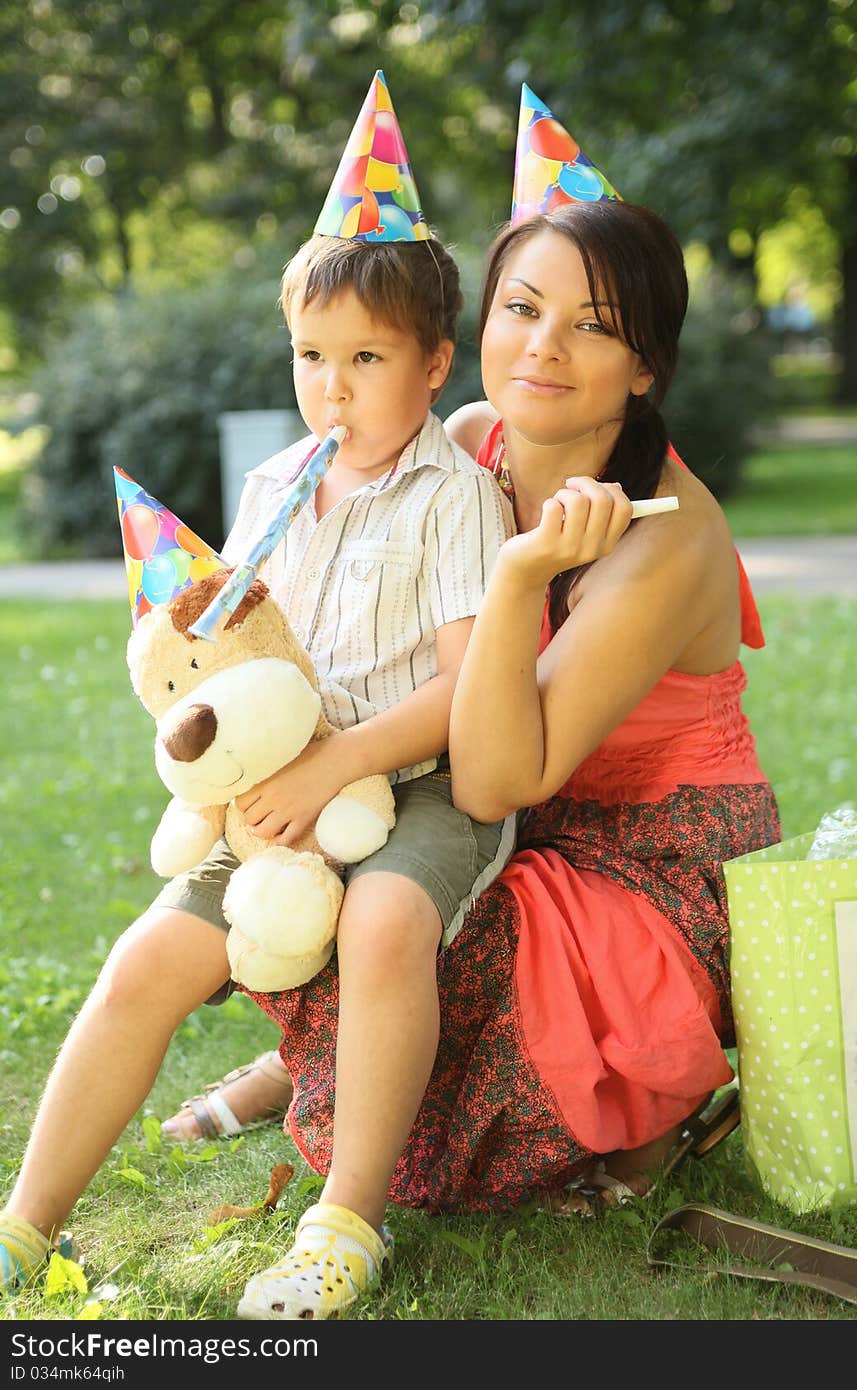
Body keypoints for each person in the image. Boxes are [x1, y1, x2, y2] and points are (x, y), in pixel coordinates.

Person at [230, 96, 781, 1322]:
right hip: (521, 821)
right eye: (521, 309)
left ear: (644, 368)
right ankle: (296, 1068)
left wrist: (522, 576)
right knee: (341, 866)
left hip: (645, 857)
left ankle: (627, 1103)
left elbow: (491, 780)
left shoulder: (666, 533)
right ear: (475, 329)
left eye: (594, 327)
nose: (542, 346)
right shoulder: (465, 442)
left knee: (406, 922)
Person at [0, 71, 515, 1298]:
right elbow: (241, 659)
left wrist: (340, 761)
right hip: (284, 796)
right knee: (142, 963)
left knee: (385, 919)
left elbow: (468, 692)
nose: (330, 384)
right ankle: (25, 1222)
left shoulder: (456, 497)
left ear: (435, 362)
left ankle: (344, 1226)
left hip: (427, 787)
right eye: (310, 354)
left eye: (366, 357)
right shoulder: (277, 481)